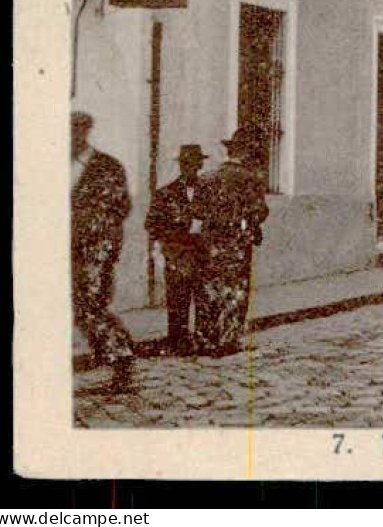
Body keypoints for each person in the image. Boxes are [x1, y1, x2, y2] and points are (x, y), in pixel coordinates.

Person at [71, 111, 135, 392]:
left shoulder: (108, 167)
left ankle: (121, 360)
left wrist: (102, 245)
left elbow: (121, 208)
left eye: (76, 130)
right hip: (65, 248)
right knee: (80, 309)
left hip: (94, 252)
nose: (71, 136)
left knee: (91, 308)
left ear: (86, 132)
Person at [195, 124, 272, 355]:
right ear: (246, 152)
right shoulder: (250, 178)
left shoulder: (206, 178)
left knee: (209, 288)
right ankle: (229, 338)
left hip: (210, 240)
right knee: (236, 289)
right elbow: (260, 211)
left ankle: (206, 338)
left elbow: (197, 210)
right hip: (237, 241)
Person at [145, 143, 209, 354]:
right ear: (181, 166)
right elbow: (151, 224)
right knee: (178, 299)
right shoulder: (166, 193)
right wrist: (171, 241)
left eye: (195, 164)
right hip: (178, 254)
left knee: (203, 298)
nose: (191, 168)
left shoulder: (209, 191)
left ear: (200, 165)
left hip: (202, 253)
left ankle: (201, 340)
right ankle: (178, 341)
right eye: (187, 164)